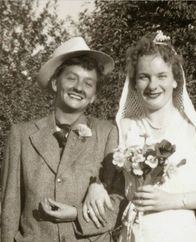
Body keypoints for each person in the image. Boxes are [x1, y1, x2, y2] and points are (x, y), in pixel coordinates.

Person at [84, 31, 196, 242]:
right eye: (144, 77)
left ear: (175, 81)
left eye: (161, 76)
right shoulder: (123, 128)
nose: (153, 86)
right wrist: (96, 184)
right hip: (132, 234)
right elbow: (104, 173)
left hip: (179, 233)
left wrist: (174, 201)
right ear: (134, 84)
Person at [1, 37, 125, 242]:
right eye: (71, 78)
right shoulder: (21, 135)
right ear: (55, 83)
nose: (79, 87)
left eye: (88, 83)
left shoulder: (108, 133)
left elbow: (118, 200)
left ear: (94, 95)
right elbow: (10, 205)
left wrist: (77, 214)